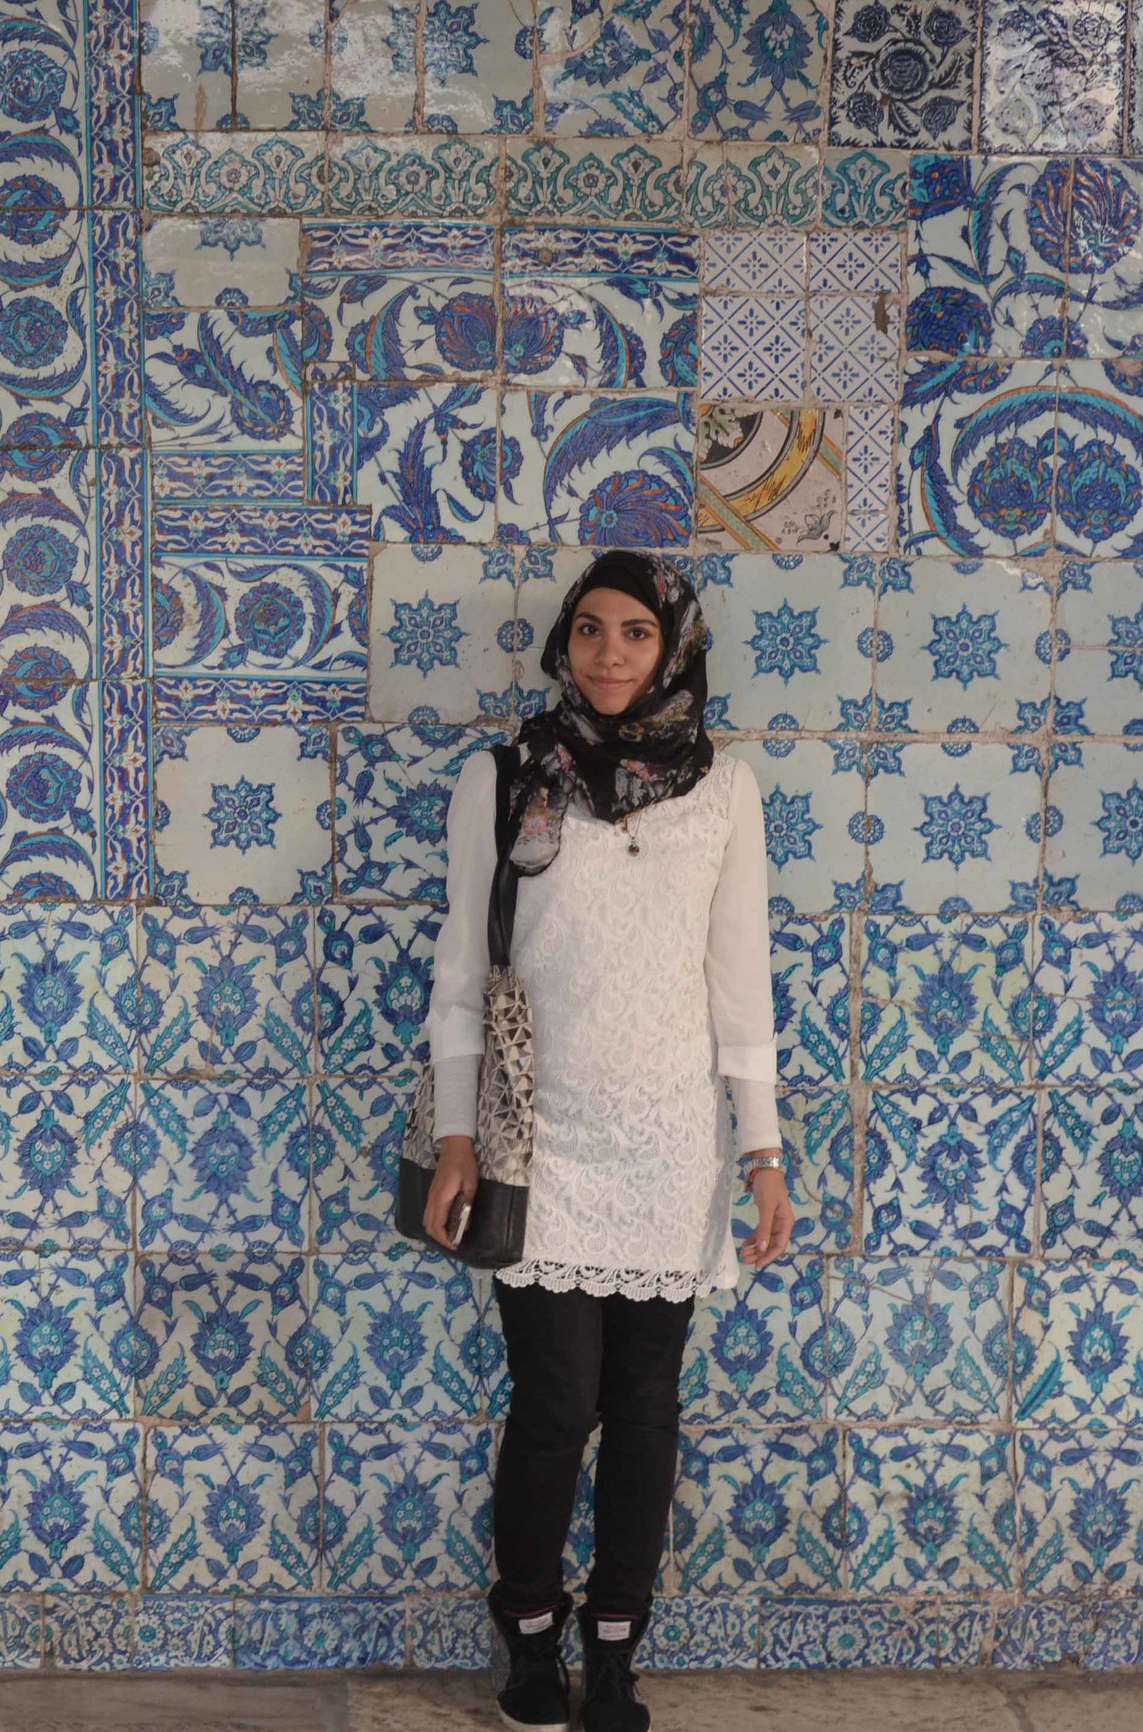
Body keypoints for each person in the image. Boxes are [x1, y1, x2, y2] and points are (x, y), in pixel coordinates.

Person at [422, 550, 797, 1732]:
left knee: (645, 1406)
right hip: (542, 1139)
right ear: (563, 645)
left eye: (636, 631)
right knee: (553, 1402)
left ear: (673, 646)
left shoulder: (723, 790)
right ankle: (528, 1635)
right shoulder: (503, 776)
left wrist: (763, 1151)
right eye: (589, 630)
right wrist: (452, 1136)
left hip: (673, 1139)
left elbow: (741, 982)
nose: (610, 653)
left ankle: (617, 1652)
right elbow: (458, 974)